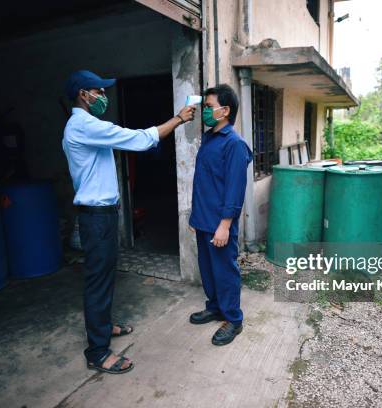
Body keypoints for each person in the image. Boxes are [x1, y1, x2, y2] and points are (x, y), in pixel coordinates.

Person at [62, 70, 195, 374]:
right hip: (96, 217)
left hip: (103, 214)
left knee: (106, 276)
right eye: (100, 91)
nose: (104, 97)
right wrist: (178, 119)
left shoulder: (84, 126)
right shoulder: (84, 125)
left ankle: (104, 326)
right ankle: (97, 351)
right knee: (98, 281)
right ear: (84, 94)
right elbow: (137, 139)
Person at [188, 84, 252, 346]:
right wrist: (195, 218)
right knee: (208, 268)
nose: (204, 111)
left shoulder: (234, 144)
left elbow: (234, 189)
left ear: (225, 111)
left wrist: (225, 225)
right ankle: (215, 307)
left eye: (208, 107)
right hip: (203, 220)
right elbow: (205, 182)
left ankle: (233, 319)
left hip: (219, 223)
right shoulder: (209, 138)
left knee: (225, 271)